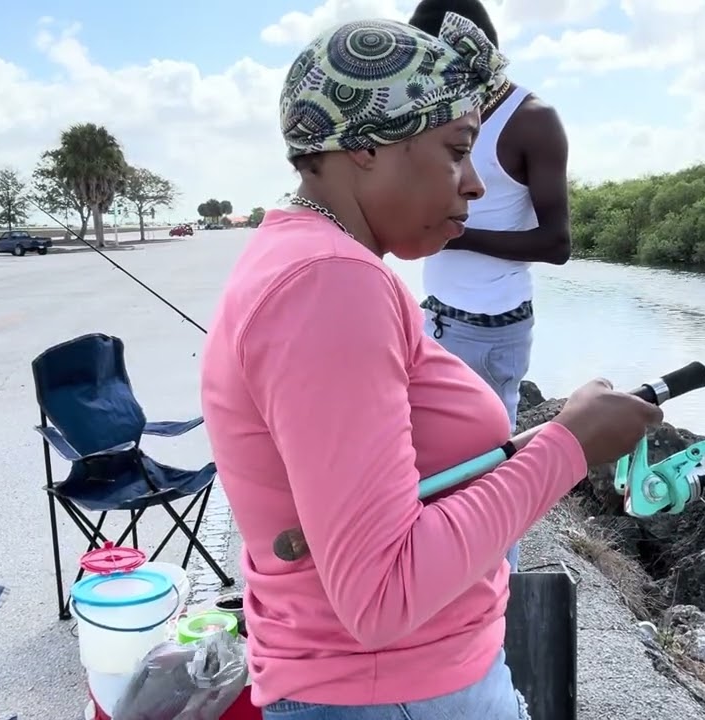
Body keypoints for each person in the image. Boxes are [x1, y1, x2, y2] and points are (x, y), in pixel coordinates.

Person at [199, 13, 662, 719]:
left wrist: (545, 443)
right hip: (397, 692)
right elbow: (382, 595)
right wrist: (568, 448)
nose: (474, 185)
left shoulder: (314, 262)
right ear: (365, 147)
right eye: (455, 150)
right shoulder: (329, 284)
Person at [409, 0, 572, 572]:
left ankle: (497, 601)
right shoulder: (447, 112)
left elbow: (558, 245)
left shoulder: (531, 119)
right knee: (439, 472)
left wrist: (453, 236)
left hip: (487, 328)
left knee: (483, 474)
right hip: (438, 315)